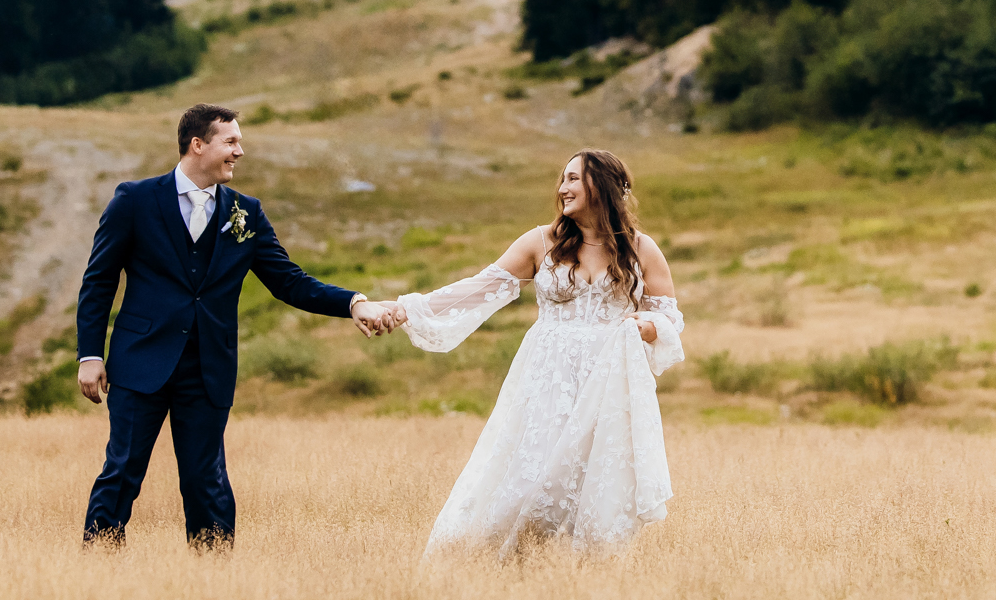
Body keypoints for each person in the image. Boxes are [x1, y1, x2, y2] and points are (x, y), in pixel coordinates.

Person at [74, 102, 397, 546]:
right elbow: (98, 281)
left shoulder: (246, 213)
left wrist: (353, 303)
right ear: (197, 144)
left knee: (206, 480)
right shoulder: (135, 200)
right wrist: (90, 354)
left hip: (209, 367)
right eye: (231, 141)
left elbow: (288, 281)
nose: (239, 152)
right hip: (139, 361)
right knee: (124, 469)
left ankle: (215, 580)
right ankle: (97, 563)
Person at [372, 148, 684, 556]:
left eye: (573, 179)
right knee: (530, 478)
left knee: (592, 482)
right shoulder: (541, 242)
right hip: (547, 379)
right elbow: (480, 288)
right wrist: (407, 308)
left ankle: (580, 579)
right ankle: (496, 564)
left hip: (607, 383)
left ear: (601, 185)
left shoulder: (641, 249)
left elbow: (668, 317)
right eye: (563, 179)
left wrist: (643, 327)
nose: (562, 188)